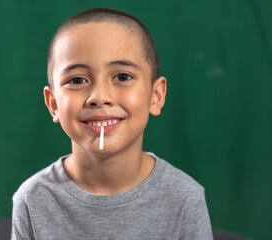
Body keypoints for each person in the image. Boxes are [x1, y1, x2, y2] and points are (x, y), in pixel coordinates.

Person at [11, 8, 213, 240]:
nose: (99, 96)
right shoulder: (32, 199)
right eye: (77, 80)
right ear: (54, 104)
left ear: (155, 96)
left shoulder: (185, 198)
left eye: (122, 77)